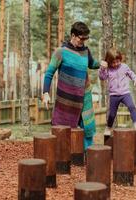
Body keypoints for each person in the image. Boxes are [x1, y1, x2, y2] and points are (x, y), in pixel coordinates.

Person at [42, 21, 100, 149]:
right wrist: (45, 93)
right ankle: (62, 156)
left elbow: (91, 63)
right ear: (73, 35)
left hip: (84, 96)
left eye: (86, 38)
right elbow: (49, 73)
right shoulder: (60, 52)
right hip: (66, 99)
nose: (84, 41)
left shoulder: (85, 51)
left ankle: (87, 154)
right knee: (62, 127)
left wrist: (102, 63)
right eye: (82, 38)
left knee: (87, 125)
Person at [99, 47, 136, 136]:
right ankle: (108, 128)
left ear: (120, 59)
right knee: (112, 114)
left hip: (125, 93)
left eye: (118, 61)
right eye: (113, 62)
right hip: (114, 95)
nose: (116, 64)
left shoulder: (124, 67)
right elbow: (102, 77)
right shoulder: (108, 69)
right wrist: (102, 69)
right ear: (109, 62)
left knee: (132, 106)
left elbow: (131, 74)